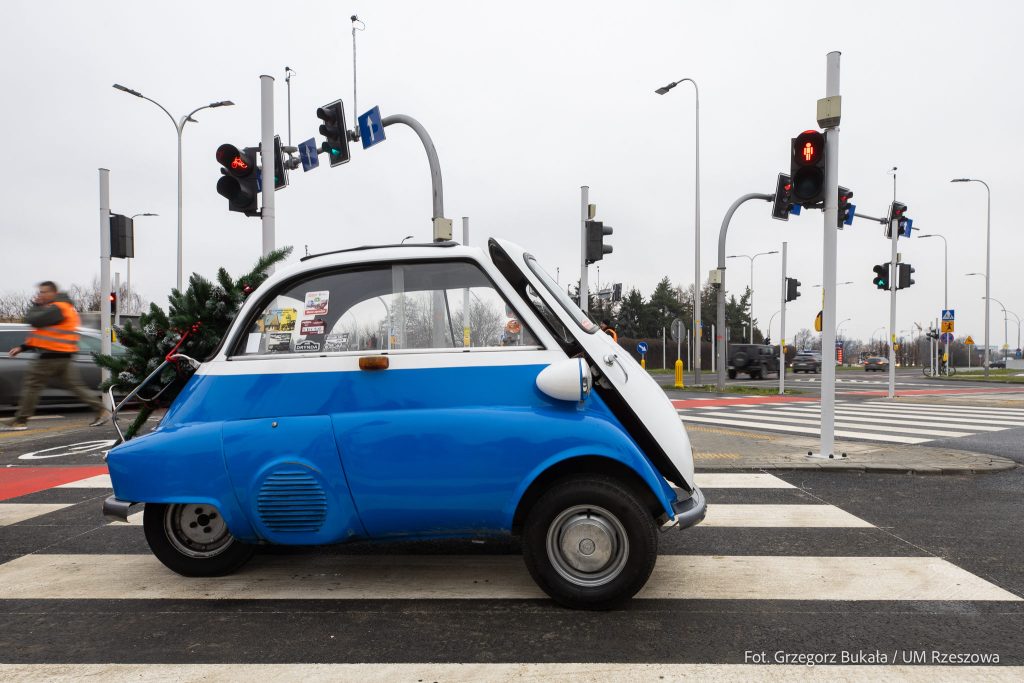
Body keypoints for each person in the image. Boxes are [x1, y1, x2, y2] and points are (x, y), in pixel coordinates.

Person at [0, 281, 110, 431]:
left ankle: (20, 420)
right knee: (75, 386)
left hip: (50, 356)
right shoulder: (62, 308)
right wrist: (23, 347)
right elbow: (44, 333)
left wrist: (35, 305)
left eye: (44, 292)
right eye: (40, 292)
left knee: (32, 386)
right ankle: (101, 410)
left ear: (53, 293)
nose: (40, 295)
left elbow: (34, 320)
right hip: (62, 355)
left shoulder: (58, 308)